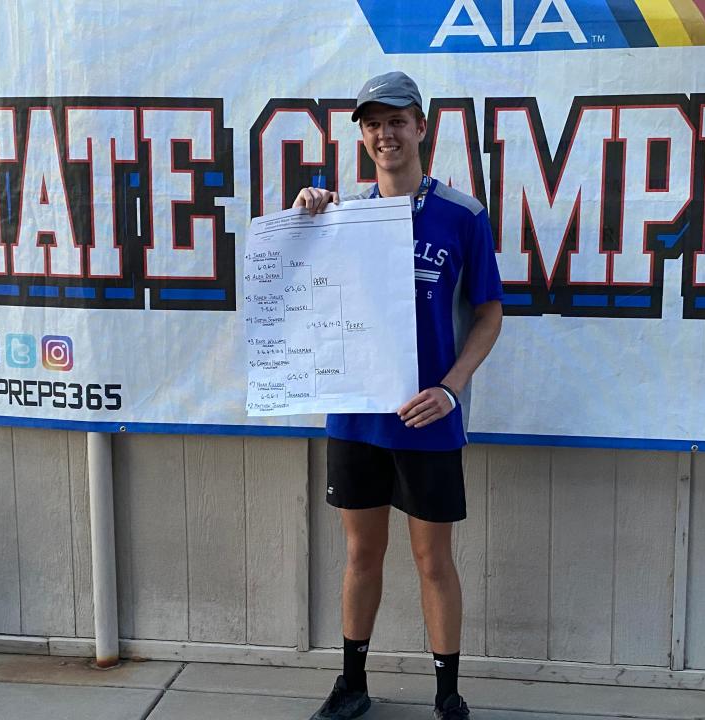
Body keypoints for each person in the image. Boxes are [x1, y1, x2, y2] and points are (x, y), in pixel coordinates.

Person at [293, 71, 503, 720]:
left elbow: (491, 312)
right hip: (357, 416)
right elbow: (303, 296)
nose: (386, 133)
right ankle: (351, 683)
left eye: (397, 120)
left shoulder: (462, 215)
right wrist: (305, 222)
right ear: (362, 135)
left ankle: (447, 694)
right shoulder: (341, 215)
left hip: (427, 421)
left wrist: (450, 387)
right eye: (373, 123)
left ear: (421, 127)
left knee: (432, 558)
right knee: (361, 552)